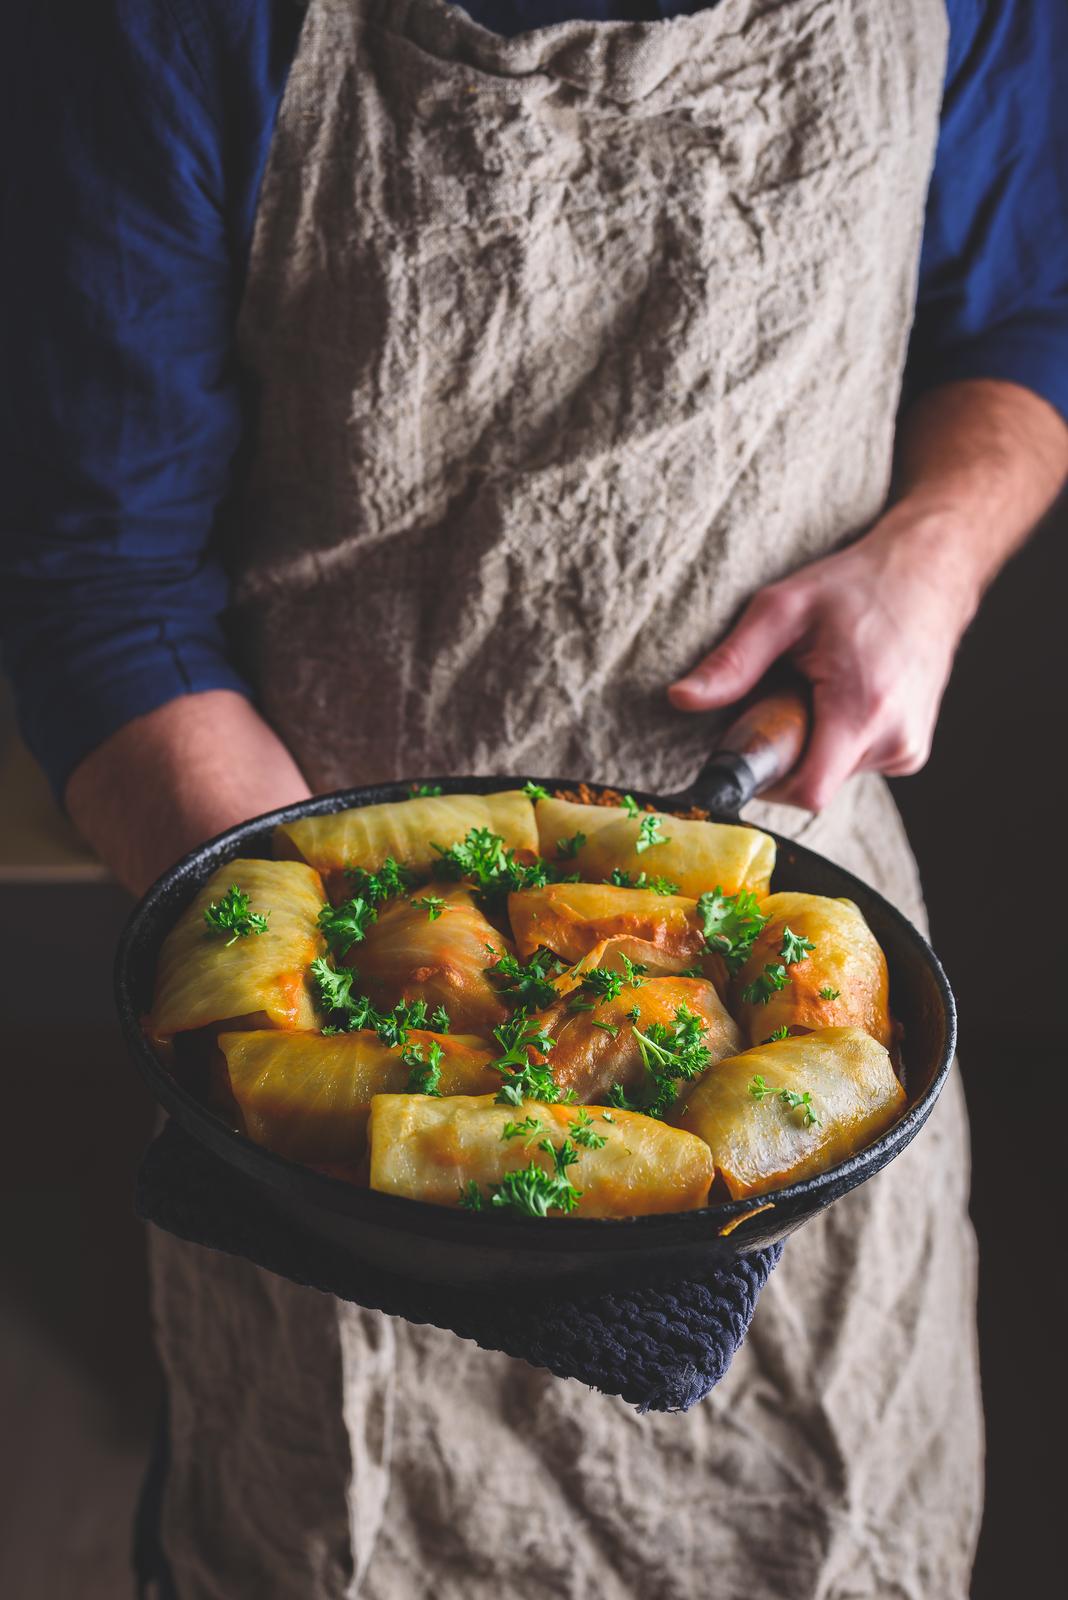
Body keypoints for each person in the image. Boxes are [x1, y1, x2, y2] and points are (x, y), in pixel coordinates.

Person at [3, 1, 1066, 1595]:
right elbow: (101, 581)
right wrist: (314, 1079)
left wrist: (932, 559)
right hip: (338, 1007)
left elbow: (1026, 320)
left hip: (796, 956)